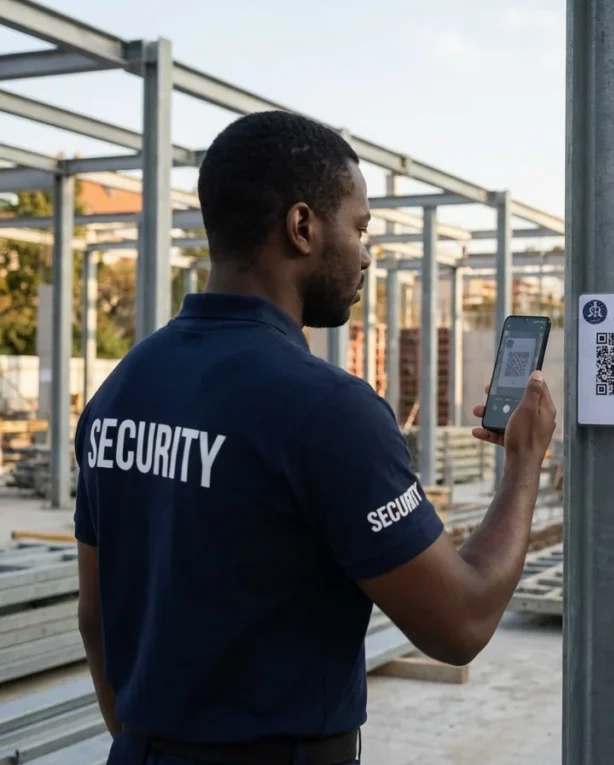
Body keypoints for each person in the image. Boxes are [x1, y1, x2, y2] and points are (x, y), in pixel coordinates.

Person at [74, 110, 557, 765]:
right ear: (302, 227)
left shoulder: (121, 389)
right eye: (359, 227)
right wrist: (524, 464)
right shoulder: (329, 410)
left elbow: (95, 621)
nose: (366, 253)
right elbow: (461, 621)